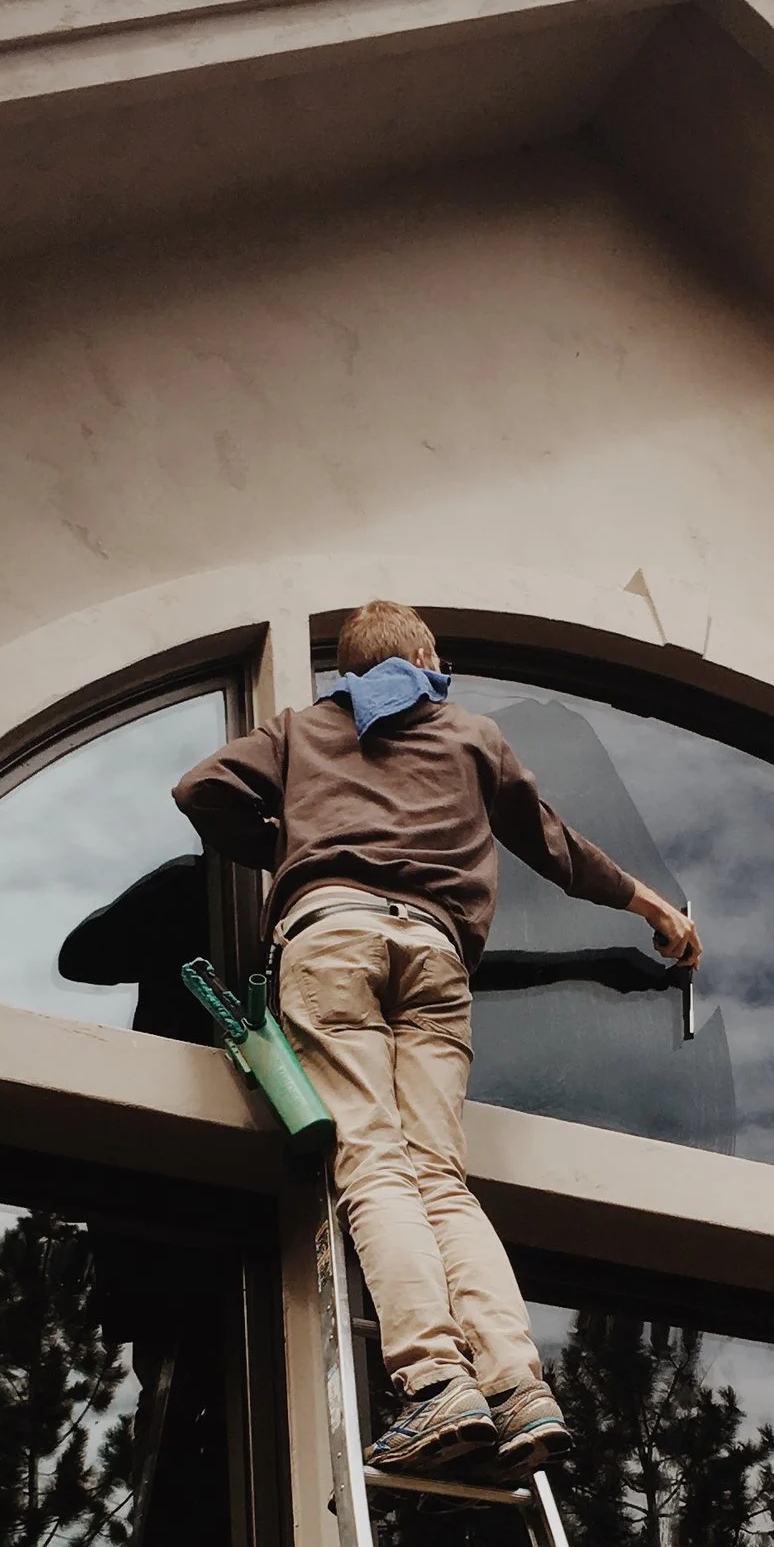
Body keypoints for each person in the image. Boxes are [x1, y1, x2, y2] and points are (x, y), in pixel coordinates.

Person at [173, 602, 699, 1474]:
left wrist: (292, 847)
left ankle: (435, 1381)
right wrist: (652, 907)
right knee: (439, 1179)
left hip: (333, 939)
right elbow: (555, 845)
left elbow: (201, 790)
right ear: (423, 654)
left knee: (372, 1163)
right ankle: (516, 1385)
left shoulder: (303, 728)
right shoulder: (470, 734)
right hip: (434, 954)